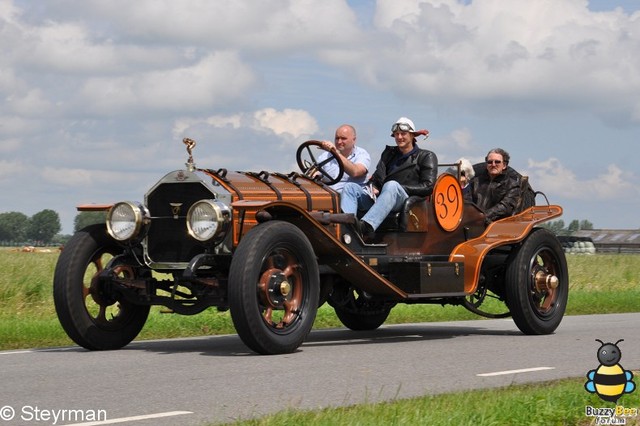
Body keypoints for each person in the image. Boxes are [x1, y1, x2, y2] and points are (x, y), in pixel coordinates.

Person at [341, 117, 438, 236]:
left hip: (405, 199)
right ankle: (347, 228)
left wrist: (399, 188)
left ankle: (366, 227)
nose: (399, 137)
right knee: (350, 187)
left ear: (412, 136)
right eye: (396, 134)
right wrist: (373, 186)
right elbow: (377, 177)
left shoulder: (426, 156)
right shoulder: (389, 154)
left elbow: (428, 186)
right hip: (382, 198)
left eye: (403, 134)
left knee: (391, 185)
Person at [470, 148, 521, 223]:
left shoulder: (512, 185)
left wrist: (483, 216)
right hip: (473, 222)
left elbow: (505, 207)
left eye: (497, 162)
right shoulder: (475, 182)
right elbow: (467, 201)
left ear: (504, 165)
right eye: (490, 162)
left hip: (497, 225)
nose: (493, 165)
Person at [317, 124, 371, 192]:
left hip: (355, 197)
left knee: (348, 188)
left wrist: (336, 153)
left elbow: (355, 172)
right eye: (337, 138)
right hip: (330, 195)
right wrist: (313, 174)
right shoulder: (325, 156)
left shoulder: (362, 154)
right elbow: (316, 173)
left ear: (354, 140)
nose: (339, 142)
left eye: (343, 138)